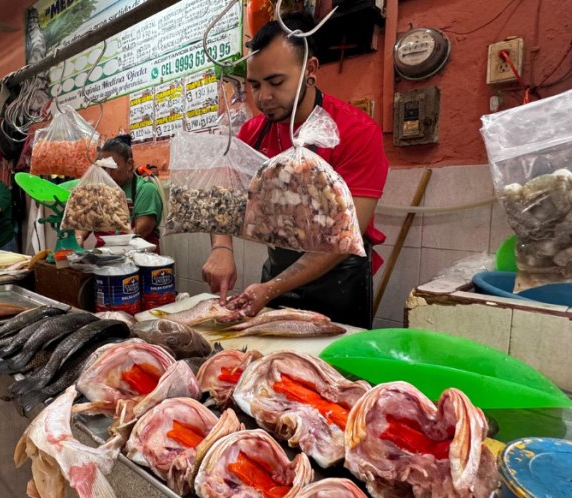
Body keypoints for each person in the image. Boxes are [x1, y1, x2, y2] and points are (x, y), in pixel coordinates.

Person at [201, 12, 389, 329]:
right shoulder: (252, 133)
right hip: (275, 273)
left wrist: (271, 289)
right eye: (255, 85)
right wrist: (221, 247)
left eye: (276, 82)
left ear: (310, 70)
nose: (264, 97)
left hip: (338, 281)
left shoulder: (356, 132)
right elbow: (222, 197)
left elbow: (344, 237)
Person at [95, 134, 163, 249]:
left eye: (112, 168)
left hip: (141, 258)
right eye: (104, 168)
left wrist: (115, 249)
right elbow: (85, 224)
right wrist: (79, 238)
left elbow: (141, 230)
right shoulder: (101, 190)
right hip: (105, 257)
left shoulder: (145, 189)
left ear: (130, 164)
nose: (107, 174)